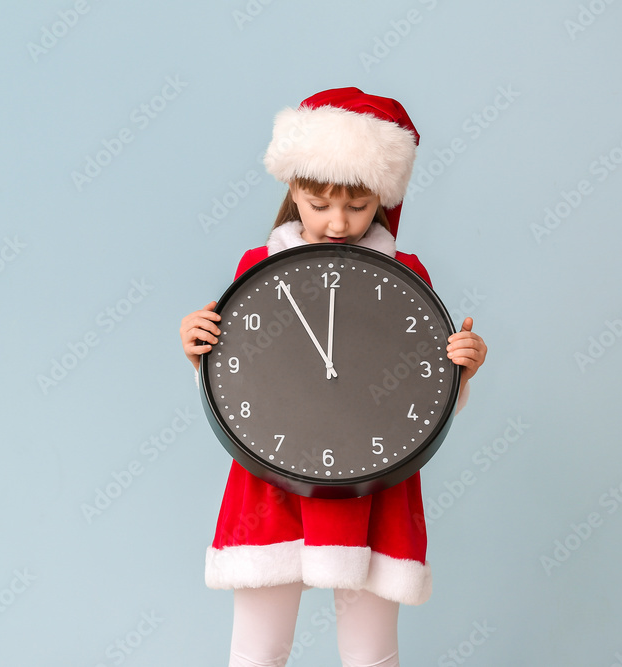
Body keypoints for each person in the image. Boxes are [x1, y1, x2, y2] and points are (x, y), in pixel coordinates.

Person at [179, 88, 488, 667]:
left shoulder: (404, 276)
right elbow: (243, 380)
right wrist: (200, 349)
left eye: (358, 205)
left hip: (375, 477)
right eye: (319, 203)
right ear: (293, 189)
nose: (338, 221)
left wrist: (459, 368)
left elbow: (421, 391)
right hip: (271, 479)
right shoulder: (257, 269)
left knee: (371, 653)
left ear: (385, 200)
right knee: (257, 650)